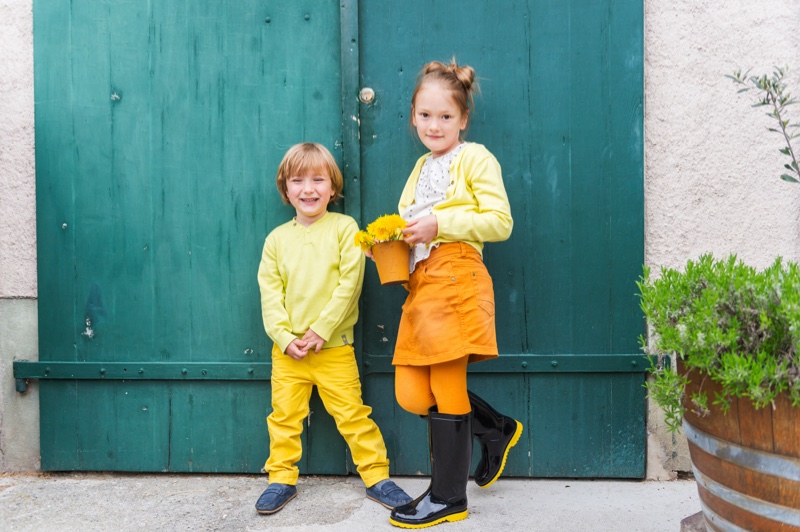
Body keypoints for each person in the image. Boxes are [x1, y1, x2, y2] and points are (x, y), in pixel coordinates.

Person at [386, 60, 524, 528]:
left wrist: (440, 224)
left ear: (463, 119)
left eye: (445, 116)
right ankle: (495, 429)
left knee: (446, 388)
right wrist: (389, 247)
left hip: (458, 276)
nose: (434, 125)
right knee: (410, 393)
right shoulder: (420, 167)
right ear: (413, 118)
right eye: (425, 115)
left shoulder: (476, 158)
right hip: (423, 282)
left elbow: (500, 222)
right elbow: (412, 228)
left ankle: (447, 497)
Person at [255, 142, 412, 515]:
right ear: (285, 188)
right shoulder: (277, 240)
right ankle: (281, 479)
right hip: (289, 353)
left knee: (353, 414)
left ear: (332, 186)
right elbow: (269, 294)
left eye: (317, 180)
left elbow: (349, 286)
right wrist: (284, 337)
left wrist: (322, 330)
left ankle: (377, 476)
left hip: (334, 348)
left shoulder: (344, 229)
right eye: (298, 180)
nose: (308, 189)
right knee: (284, 418)